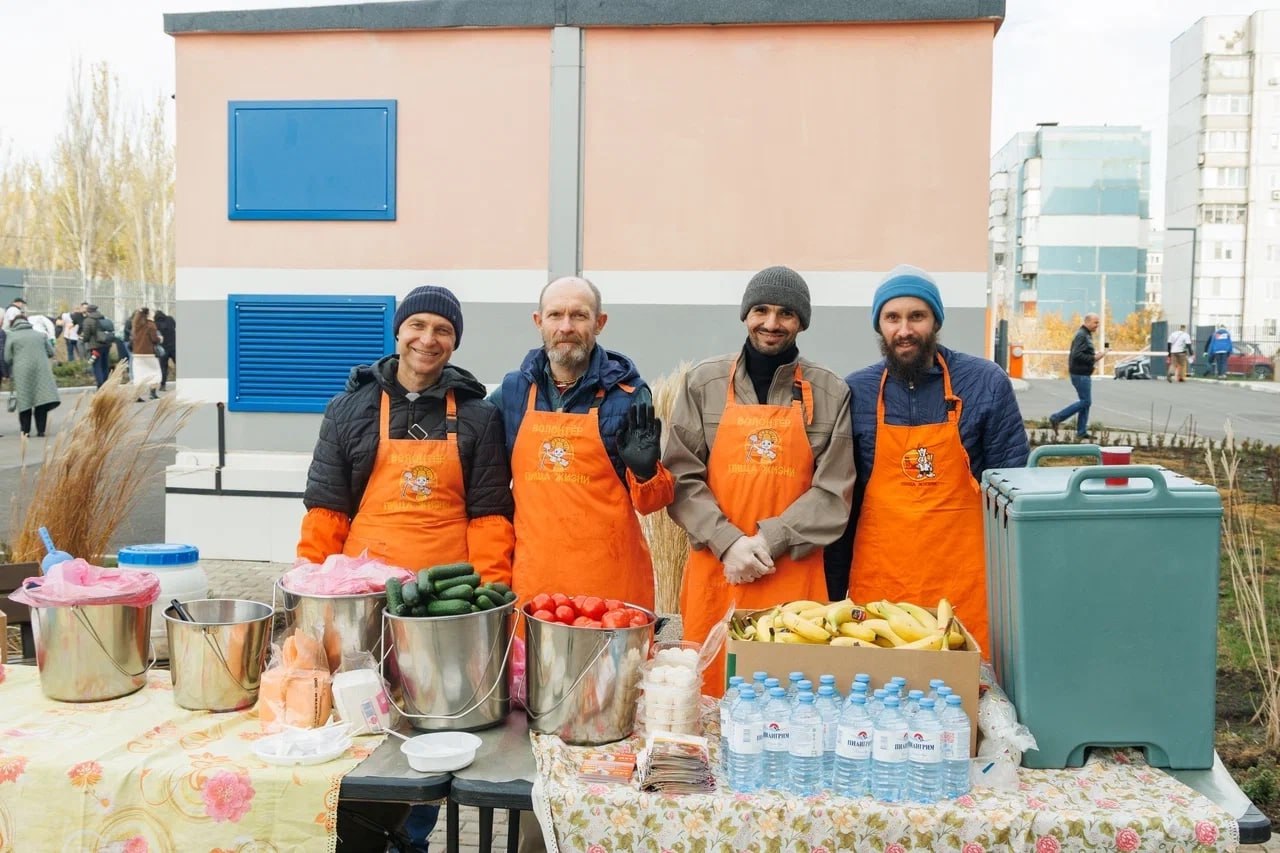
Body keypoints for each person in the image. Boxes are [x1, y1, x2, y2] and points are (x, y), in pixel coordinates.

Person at [663, 266, 855, 694]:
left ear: (802, 322)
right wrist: (729, 542)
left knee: (788, 699)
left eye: (786, 313)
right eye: (761, 310)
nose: (771, 323)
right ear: (745, 314)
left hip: (793, 576)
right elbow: (680, 474)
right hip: (718, 571)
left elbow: (833, 492)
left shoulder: (829, 391)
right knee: (708, 696)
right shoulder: (704, 382)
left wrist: (768, 541)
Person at [827, 265, 1029, 655]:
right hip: (881, 584)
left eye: (916, 316)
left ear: (935, 320)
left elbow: (1013, 491)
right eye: (892, 318)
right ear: (879, 325)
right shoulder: (856, 391)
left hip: (964, 584)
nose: (904, 330)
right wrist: (833, 592)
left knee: (968, 689)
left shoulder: (985, 382)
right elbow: (842, 501)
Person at [299, 284, 515, 577]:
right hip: (361, 589)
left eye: (443, 330)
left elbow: (489, 519)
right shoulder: (347, 410)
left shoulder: (480, 415)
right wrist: (310, 582)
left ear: (454, 342)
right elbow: (327, 510)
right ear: (398, 331)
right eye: (417, 325)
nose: (428, 339)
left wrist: (490, 594)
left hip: (447, 592)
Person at [490, 276, 674, 609]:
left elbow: (652, 504)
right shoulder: (512, 393)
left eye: (579, 315)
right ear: (538, 322)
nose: (566, 326)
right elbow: (485, 483)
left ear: (599, 323)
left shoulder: (629, 395)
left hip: (611, 589)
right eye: (555, 315)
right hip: (533, 586)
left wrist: (646, 472)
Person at [1048, 313, 1105, 439]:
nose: (1098, 325)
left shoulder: (1085, 335)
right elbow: (1077, 355)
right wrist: (1094, 358)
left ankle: (1081, 431)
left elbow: (1081, 353)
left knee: (1086, 402)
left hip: (1083, 373)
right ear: (1088, 322)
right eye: (1096, 322)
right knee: (1086, 401)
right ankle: (1057, 417)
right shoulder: (1082, 335)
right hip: (1080, 374)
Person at [3, 314, 60, 438]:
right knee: (41, 401)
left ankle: (25, 431)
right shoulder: (40, 335)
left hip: (22, 371)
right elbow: (51, 352)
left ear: (14, 324)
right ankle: (41, 431)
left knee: (25, 400)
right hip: (41, 370)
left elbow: (7, 357)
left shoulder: (11, 336)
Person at [129, 308, 163, 401]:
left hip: (137, 354)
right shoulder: (150, 325)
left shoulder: (135, 324)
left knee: (139, 374)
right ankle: (153, 394)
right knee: (155, 373)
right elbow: (154, 339)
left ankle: (137, 395)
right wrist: (160, 338)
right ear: (147, 314)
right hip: (149, 353)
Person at [79, 304, 116, 388]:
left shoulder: (88, 320)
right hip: (106, 345)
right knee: (104, 365)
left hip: (95, 347)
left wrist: (83, 339)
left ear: (88, 311)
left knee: (97, 366)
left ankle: (100, 385)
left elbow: (86, 335)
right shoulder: (103, 318)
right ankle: (106, 384)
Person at [154, 310, 176, 391]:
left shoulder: (156, 323)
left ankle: (163, 385)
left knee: (163, 368)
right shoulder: (170, 319)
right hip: (174, 346)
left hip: (163, 348)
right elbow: (175, 326)